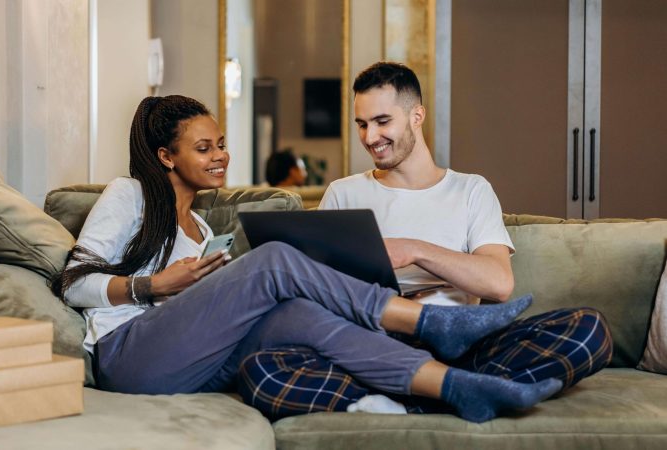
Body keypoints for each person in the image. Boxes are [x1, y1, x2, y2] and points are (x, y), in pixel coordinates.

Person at [50, 94, 563, 425]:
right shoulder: (129, 195)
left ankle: (458, 388)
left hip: (188, 361)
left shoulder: (203, 228)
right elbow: (72, 283)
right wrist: (152, 286)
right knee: (275, 259)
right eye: (204, 148)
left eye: (221, 145)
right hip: (128, 356)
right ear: (166, 157)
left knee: (295, 314)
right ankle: (429, 322)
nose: (220, 156)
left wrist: (213, 292)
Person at [238, 63, 613, 419]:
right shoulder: (343, 193)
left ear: (417, 116)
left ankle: (406, 400)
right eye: (362, 124)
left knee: (588, 329)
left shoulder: (470, 189)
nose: (370, 137)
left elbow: (499, 284)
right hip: (371, 350)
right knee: (260, 370)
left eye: (383, 122)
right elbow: (315, 296)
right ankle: (457, 394)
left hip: (462, 348)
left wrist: (415, 250)